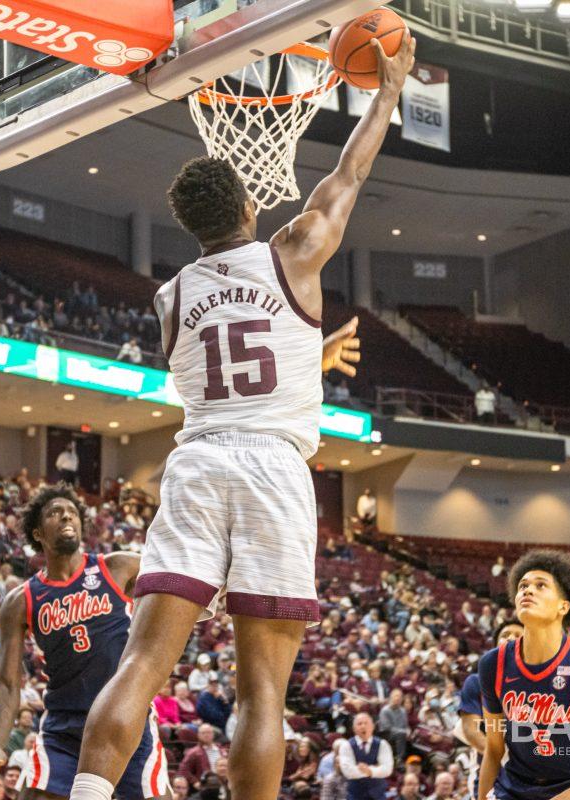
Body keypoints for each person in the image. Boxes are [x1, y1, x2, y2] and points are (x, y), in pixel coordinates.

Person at [64, 32, 412, 800]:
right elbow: (349, 171)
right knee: (262, 692)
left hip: (199, 461)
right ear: (252, 203)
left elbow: (217, 368)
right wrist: (386, 91)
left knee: (142, 663)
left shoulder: (170, 297)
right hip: (273, 468)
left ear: (192, 226)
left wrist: (301, 363)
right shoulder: (294, 249)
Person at [0, 483, 169, 800]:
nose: (66, 516)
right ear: (38, 533)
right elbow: (7, 684)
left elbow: (175, 575)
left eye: (71, 512)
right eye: (55, 512)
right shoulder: (20, 600)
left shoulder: (117, 567)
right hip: (64, 727)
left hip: (124, 716)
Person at [476, 550, 570, 800]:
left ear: (563, 606)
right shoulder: (494, 664)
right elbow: (493, 749)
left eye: (540, 585)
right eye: (522, 585)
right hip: (513, 788)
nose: (527, 590)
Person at [456, 620, 524, 800]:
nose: (510, 638)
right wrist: (504, 757)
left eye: (518, 635)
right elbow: (470, 730)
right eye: (505, 635)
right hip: (489, 774)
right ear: (495, 646)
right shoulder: (477, 681)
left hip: (529, 777)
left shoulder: (540, 686)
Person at [339, 713, 394, 800]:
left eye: (366, 723)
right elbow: (348, 771)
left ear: (373, 726)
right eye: (359, 724)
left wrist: (370, 771)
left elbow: (387, 769)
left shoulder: (383, 744)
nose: (363, 726)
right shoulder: (346, 745)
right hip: (355, 796)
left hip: (378, 795)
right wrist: (376, 769)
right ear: (354, 728)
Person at [179, 724, 227, 791]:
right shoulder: (193, 752)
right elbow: (183, 770)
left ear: (213, 734)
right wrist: (195, 782)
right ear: (198, 735)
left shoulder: (222, 750)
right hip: (207, 787)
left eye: (208, 732)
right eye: (203, 733)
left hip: (224, 785)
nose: (206, 735)